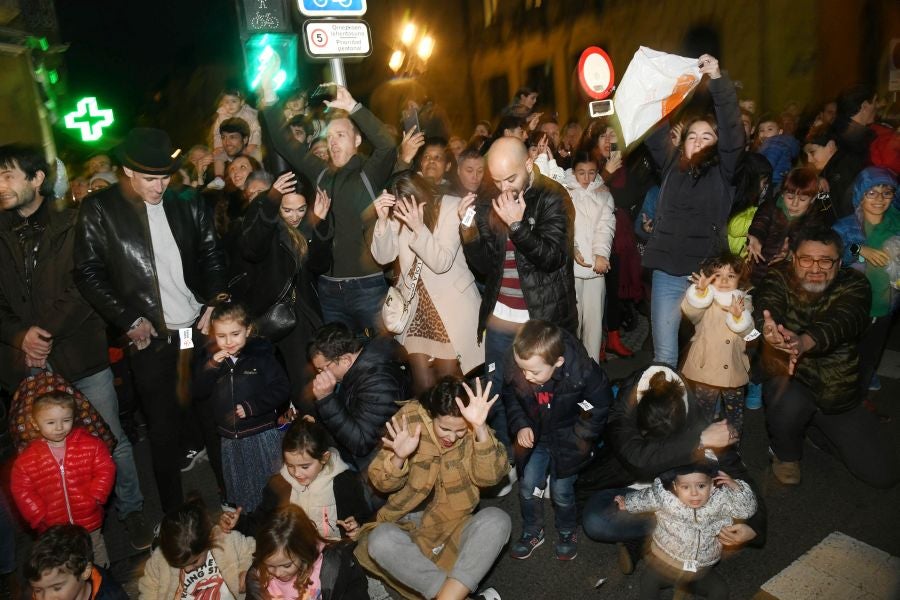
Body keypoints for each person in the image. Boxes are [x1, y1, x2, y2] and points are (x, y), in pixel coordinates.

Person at [0, 144, 152, 549]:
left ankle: (132, 510)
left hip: (79, 354)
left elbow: (86, 285)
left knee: (109, 437)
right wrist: (20, 336)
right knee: (40, 451)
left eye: (8, 175)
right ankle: (61, 533)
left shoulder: (73, 223)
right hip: (27, 362)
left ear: (36, 179)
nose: (0, 185)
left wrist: (42, 332)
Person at [74, 127, 227, 512]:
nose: (159, 187)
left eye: (165, 177)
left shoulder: (187, 200)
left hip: (195, 330)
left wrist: (213, 302)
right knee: (162, 430)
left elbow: (212, 253)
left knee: (211, 415)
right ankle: (174, 516)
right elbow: (87, 272)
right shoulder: (100, 209)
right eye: (149, 178)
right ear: (127, 170)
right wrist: (127, 319)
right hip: (150, 340)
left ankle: (231, 500)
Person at [580, 365, 766, 574]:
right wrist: (699, 441)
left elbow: (739, 477)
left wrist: (754, 528)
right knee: (596, 520)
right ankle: (661, 540)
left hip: (685, 500)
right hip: (633, 491)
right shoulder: (623, 410)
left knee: (726, 501)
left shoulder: (698, 419)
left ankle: (653, 543)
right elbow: (638, 460)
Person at [754, 226, 900, 487]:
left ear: (839, 263)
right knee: (784, 396)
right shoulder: (778, 276)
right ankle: (785, 454)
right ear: (794, 259)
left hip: (837, 389)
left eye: (825, 261)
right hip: (792, 380)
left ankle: (815, 428)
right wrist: (768, 328)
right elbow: (767, 304)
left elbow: (844, 320)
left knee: (883, 476)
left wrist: (804, 342)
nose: (815, 268)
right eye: (806, 259)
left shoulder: (855, 283)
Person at [459, 136, 576, 452]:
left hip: (540, 318)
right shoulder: (491, 198)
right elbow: (485, 266)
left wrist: (518, 226)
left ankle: (545, 457)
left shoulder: (553, 196)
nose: (503, 188)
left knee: (543, 393)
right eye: (496, 181)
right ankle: (502, 459)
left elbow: (553, 258)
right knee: (495, 392)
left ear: (528, 164)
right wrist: (468, 230)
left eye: (510, 179)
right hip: (500, 318)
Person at [357, 377, 510, 600]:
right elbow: (381, 483)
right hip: (406, 527)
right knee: (380, 540)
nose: (451, 437)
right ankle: (455, 593)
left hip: (452, 525)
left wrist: (480, 429)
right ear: (431, 414)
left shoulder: (474, 423)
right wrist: (399, 457)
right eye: (444, 428)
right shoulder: (409, 420)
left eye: (460, 431)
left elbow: (490, 478)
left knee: (497, 520)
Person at [262, 83, 397, 335]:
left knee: (376, 356)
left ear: (357, 140)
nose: (333, 142)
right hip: (328, 288)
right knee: (335, 355)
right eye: (330, 137)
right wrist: (270, 99)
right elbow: (285, 144)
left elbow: (387, 145)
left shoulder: (369, 173)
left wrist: (353, 107)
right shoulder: (322, 174)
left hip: (367, 287)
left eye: (341, 135)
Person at [641, 54, 745, 368]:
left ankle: (707, 403)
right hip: (667, 274)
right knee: (665, 357)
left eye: (707, 136)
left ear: (717, 144)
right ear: (682, 143)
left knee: (710, 357)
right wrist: (652, 85)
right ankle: (668, 400)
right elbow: (653, 126)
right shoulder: (671, 164)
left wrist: (718, 81)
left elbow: (732, 134)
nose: (698, 142)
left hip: (707, 275)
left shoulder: (725, 172)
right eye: (692, 136)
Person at [503, 320, 612, 561]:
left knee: (562, 492)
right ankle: (533, 530)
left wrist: (580, 436)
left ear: (558, 362)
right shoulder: (521, 363)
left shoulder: (583, 372)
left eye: (534, 372)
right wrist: (520, 424)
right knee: (527, 486)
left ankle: (567, 531)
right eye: (522, 369)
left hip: (568, 439)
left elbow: (598, 406)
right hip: (537, 437)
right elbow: (511, 397)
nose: (526, 376)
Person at [371, 171, 483, 394]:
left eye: (407, 203)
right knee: (422, 385)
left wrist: (418, 228)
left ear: (420, 195)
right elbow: (383, 257)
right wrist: (382, 220)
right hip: (416, 308)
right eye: (397, 205)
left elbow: (441, 263)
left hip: (450, 308)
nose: (402, 210)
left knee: (448, 384)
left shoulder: (450, 207)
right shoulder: (397, 214)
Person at [239, 171, 333, 409]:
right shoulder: (267, 220)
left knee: (305, 374)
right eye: (287, 210)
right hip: (270, 308)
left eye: (301, 209)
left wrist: (319, 223)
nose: (295, 216)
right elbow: (252, 249)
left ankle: (309, 420)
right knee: (275, 376)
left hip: (301, 309)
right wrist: (271, 203)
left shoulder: (308, 223)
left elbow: (320, 265)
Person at [193, 299, 290, 512]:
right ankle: (249, 521)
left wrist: (252, 406)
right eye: (221, 336)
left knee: (272, 486)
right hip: (231, 439)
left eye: (235, 334)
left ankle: (277, 521)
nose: (228, 341)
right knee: (243, 490)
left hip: (261, 433)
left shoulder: (261, 356)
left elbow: (282, 388)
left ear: (248, 330)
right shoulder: (211, 359)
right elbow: (199, 392)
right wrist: (211, 366)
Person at [615, 461, 757, 600]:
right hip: (666, 565)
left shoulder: (722, 500)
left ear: (712, 485)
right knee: (648, 582)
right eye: (685, 487)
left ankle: (684, 588)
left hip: (700, 570)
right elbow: (646, 498)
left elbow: (747, 511)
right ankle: (678, 585)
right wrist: (627, 503)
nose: (694, 493)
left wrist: (737, 489)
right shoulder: (665, 497)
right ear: (675, 487)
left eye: (701, 486)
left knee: (720, 591)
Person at [11, 392, 115, 568]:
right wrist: (39, 515)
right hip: (53, 526)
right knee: (63, 559)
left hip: (88, 517)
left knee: (95, 548)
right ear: (35, 424)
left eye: (66, 420)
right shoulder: (27, 460)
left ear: (73, 418)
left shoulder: (91, 444)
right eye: (51, 422)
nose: (59, 427)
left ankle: (103, 579)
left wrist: (97, 495)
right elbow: (21, 490)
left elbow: (105, 468)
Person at [221, 419, 370, 541]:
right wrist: (239, 522)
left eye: (305, 466)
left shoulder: (345, 482)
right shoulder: (279, 485)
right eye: (290, 465)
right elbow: (262, 522)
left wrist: (356, 526)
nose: (297, 473)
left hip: (333, 550)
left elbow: (363, 516)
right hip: (295, 551)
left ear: (324, 458)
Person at [833, 167, 900, 398]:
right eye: (871, 192)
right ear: (860, 195)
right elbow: (832, 253)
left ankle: (861, 390)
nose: (879, 199)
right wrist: (860, 249)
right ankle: (844, 390)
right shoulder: (847, 225)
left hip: (884, 304)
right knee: (846, 351)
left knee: (871, 351)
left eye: (886, 192)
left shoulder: (896, 224)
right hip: (852, 304)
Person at [308, 323, 409, 474]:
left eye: (323, 368)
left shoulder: (378, 383)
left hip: (381, 468)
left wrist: (326, 399)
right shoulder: (356, 371)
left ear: (346, 360)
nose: (321, 375)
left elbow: (361, 443)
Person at [681, 253, 754, 436]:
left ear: (740, 279)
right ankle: (701, 445)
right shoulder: (706, 299)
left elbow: (750, 333)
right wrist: (700, 293)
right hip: (706, 367)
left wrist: (739, 317)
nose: (724, 280)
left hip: (734, 369)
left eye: (731, 275)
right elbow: (690, 313)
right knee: (703, 414)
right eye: (718, 275)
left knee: (734, 417)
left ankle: (732, 447)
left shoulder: (744, 302)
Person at [139, 498, 256, 600]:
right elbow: (149, 588)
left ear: (208, 541)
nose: (187, 569)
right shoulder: (160, 559)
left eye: (194, 561)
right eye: (179, 565)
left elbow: (251, 551)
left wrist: (245, 573)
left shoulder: (226, 540)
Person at [244, 505, 368, 600]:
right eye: (270, 565)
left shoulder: (336, 565)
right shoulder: (256, 577)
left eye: (286, 565)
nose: (278, 573)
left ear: (304, 551)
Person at [566, 151, 616, 359]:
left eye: (591, 173)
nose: (586, 178)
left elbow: (606, 226)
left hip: (596, 269)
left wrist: (601, 254)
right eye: (581, 173)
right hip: (571, 269)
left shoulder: (603, 194)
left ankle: (592, 367)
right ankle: (570, 368)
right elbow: (563, 225)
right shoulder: (564, 191)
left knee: (594, 325)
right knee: (572, 322)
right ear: (573, 172)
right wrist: (572, 247)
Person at [746, 167, 823, 285]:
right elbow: (760, 223)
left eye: (802, 199)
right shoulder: (769, 207)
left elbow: (807, 243)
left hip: (787, 276)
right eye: (790, 197)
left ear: (812, 199)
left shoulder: (814, 219)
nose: (794, 204)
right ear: (782, 193)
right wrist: (755, 237)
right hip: (758, 268)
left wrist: (790, 253)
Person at [26, 525, 128, 600]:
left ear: (84, 572)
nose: (46, 598)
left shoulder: (111, 596)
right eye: (38, 590)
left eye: (57, 588)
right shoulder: (45, 585)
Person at [210, 89, 262, 188]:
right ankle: (219, 178)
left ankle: (260, 174)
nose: (230, 105)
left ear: (241, 102)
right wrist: (218, 147)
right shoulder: (221, 116)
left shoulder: (248, 114)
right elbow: (217, 134)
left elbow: (256, 130)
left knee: (256, 154)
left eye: (234, 101)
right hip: (231, 147)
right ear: (222, 103)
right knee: (218, 156)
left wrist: (253, 144)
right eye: (226, 102)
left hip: (248, 144)